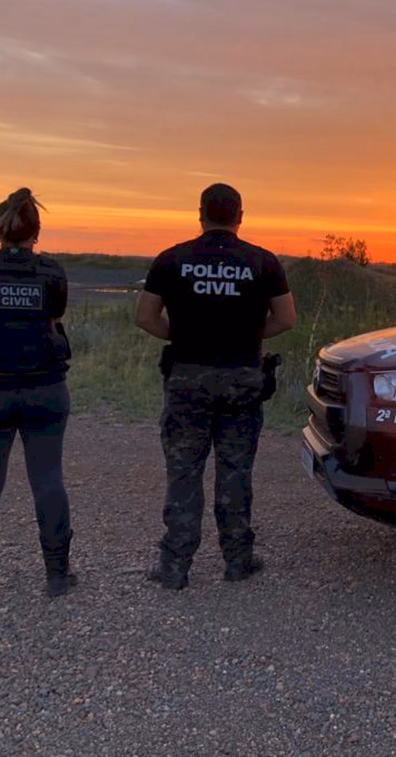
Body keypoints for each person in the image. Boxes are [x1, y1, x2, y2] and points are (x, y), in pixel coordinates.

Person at [136, 183, 295, 590]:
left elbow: (146, 317)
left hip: (188, 376)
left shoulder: (171, 259)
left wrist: (182, 336)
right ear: (240, 216)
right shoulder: (262, 262)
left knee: (184, 472)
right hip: (242, 377)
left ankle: (175, 566)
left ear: (200, 214)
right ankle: (238, 561)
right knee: (235, 472)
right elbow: (286, 319)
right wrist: (250, 337)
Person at [0, 188, 76, 608]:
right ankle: (57, 577)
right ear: (35, 232)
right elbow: (53, 317)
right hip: (45, 389)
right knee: (48, 479)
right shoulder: (52, 272)